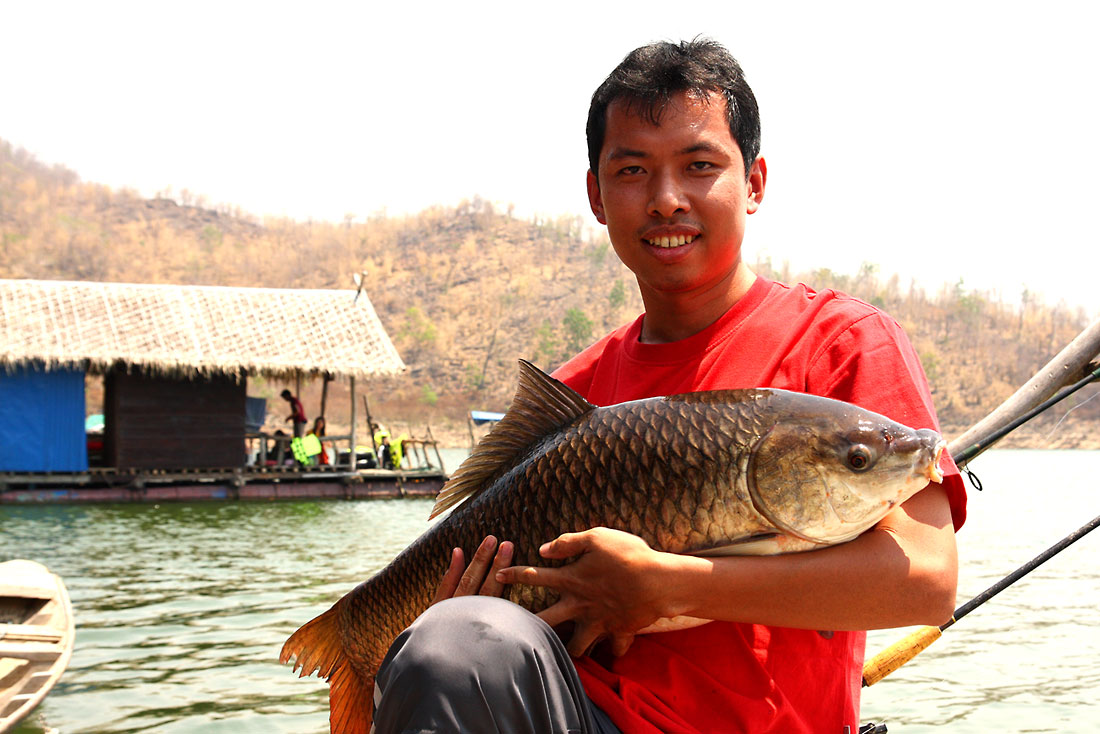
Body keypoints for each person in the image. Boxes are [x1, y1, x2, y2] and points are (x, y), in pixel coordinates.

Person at [371, 39, 966, 734]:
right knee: (451, 645)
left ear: (754, 183)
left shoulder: (842, 343)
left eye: (700, 166)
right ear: (595, 195)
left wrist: (662, 586)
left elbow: (927, 581)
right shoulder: (576, 394)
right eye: (632, 171)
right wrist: (472, 618)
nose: (666, 200)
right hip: (581, 715)